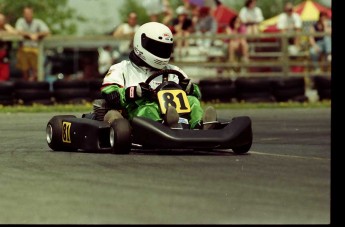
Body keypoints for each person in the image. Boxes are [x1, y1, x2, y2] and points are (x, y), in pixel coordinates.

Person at [101, 22, 217, 130]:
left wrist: (190, 88)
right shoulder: (122, 68)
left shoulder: (174, 70)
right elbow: (110, 94)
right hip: (135, 114)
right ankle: (162, 126)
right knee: (148, 108)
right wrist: (133, 92)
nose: (161, 51)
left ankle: (200, 125)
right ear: (140, 43)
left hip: (175, 112)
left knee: (192, 100)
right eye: (156, 47)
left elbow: (197, 93)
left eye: (164, 48)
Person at [15, 6, 50, 81]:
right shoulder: (20, 21)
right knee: (25, 71)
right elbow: (18, 31)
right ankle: (26, 86)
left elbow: (47, 31)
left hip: (35, 49)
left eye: (29, 13)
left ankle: (35, 85)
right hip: (24, 48)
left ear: (32, 14)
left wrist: (37, 35)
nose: (27, 15)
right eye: (26, 13)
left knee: (36, 70)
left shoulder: (38, 22)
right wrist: (30, 35)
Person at [0, 13, 17, 81]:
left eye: (1, 20)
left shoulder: (7, 28)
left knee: (4, 78)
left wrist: (6, 27)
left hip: (4, 58)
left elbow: (15, 33)